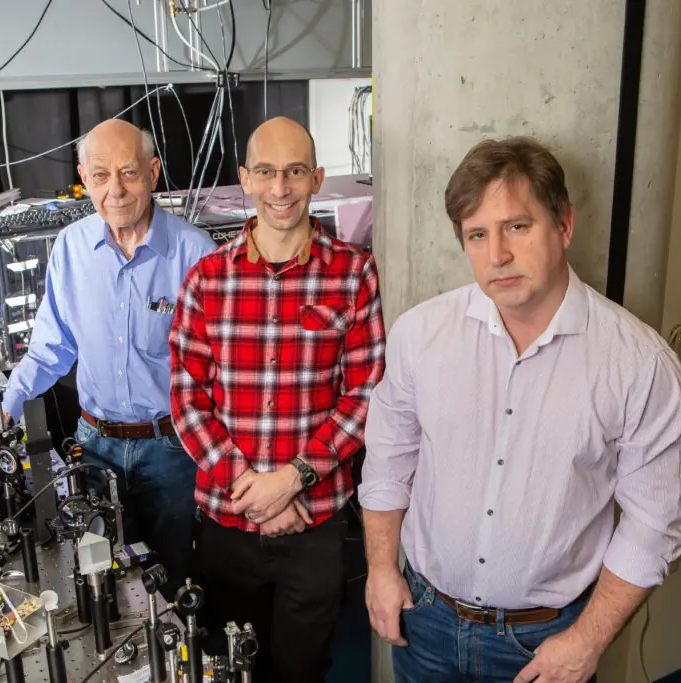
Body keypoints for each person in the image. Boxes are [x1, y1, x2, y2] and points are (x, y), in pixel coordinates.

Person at [358, 137, 681, 683]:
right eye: (477, 234)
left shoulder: (640, 365)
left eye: (517, 226)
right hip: (424, 619)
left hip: (544, 641)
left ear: (564, 226)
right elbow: (389, 459)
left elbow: (655, 525)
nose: (497, 255)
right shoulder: (420, 334)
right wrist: (379, 567)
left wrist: (587, 641)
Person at [0, 119, 215, 594]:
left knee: (172, 579)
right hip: (94, 446)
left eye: (129, 173)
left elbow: (220, 369)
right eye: (101, 175)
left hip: (171, 449)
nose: (116, 190)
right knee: (97, 575)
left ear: (153, 172)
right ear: (84, 178)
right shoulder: (71, 248)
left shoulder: (196, 254)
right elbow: (50, 348)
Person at [169, 116, 385, 683]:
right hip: (228, 521)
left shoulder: (354, 274)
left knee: (302, 667)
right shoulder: (206, 279)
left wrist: (292, 479)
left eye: (294, 172)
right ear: (245, 179)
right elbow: (187, 400)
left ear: (315, 178)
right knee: (236, 664)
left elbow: (365, 392)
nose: (280, 188)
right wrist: (253, 491)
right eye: (265, 172)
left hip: (314, 523)